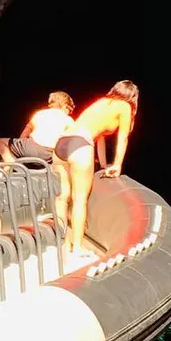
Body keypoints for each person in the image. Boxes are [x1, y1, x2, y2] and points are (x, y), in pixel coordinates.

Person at [52, 81, 138, 258]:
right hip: (80, 143)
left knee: (62, 197)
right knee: (80, 199)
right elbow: (122, 138)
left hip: (62, 142)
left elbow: (99, 136)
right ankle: (77, 249)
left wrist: (105, 163)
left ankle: (61, 242)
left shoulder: (101, 102)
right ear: (132, 97)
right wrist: (118, 164)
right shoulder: (124, 107)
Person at [0, 91, 75, 163]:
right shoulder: (68, 120)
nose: (70, 113)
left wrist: (20, 143)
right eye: (70, 110)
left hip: (30, 148)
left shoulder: (41, 114)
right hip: (50, 155)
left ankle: (10, 163)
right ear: (65, 106)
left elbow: (26, 131)